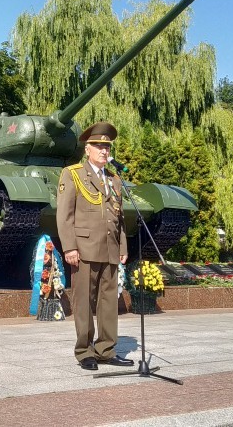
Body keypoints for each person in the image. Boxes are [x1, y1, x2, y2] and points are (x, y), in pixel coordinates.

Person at [56, 122, 133, 371]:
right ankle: (84, 351)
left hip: (110, 249)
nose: (104, 151)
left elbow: (119, 218)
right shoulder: (73, 173)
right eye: (99, 146)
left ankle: (106, 350)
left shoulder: (114, 179)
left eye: (107, 147)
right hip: (84, 248)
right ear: (87, 149)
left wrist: (122, 246)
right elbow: (65, 215)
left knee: (109, 301)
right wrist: (69, 247)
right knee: (84, 302)